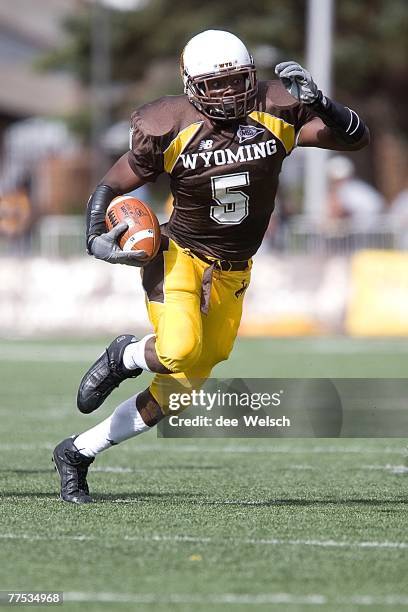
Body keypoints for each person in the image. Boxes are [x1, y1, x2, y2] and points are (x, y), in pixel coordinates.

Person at [53, 29, 369, 503]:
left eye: (235, 80)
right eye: (214, 84)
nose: (226, 93)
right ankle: (126, 355)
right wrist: (93, 235)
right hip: (179, 254)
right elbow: (109, 186)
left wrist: (322, 102)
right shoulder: (171, 126)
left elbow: (355, 139)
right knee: (178, 349)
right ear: (190, 85)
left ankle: (77, 451)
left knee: (184, 385)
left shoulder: (275, 112)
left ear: (251, 77)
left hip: (235, 268)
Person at [326, 155, 384, 229]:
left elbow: (339, 210)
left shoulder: (351, 190)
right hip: (362, 229)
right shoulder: (356, 188)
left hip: (364, 229)